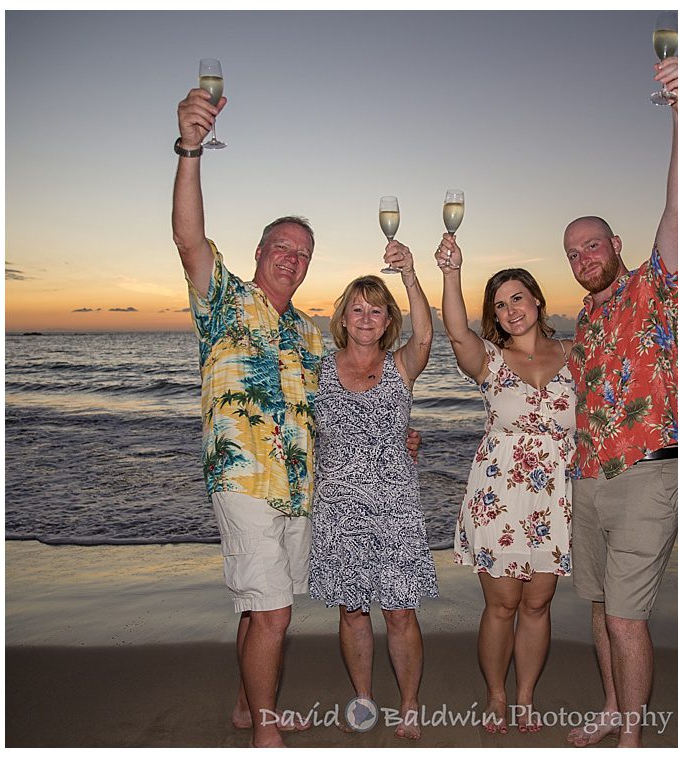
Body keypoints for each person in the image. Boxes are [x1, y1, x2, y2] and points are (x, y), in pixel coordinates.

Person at [170, 85, 322, 747]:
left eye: (302, 254)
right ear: (259, 253)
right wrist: (190, 149)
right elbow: (187, 237)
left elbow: (329, 405)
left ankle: (244, 703)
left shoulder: (312, 335)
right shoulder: (223, 299)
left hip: (297, 486)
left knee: (263, 606)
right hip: (241, 476)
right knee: (276, 611)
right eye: (281, 248)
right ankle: (266, 731)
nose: (290, 259)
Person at [560, 54, 678, 748]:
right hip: (589, 477)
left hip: (650, 467)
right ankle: (613, 707)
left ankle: (632, 737)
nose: (585, 257)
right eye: (574, 254)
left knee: (625, 616)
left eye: (593, 244)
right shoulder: (584, 321)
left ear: (616, 244)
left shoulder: (655, 288)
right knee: (598, 605)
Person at [437, 236, 575, 735]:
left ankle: (525, 697)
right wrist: (453, 272)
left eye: (517, 297)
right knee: (503, 605)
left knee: (538, 604)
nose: (510, 309)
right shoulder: (490, 361)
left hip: (553, 500)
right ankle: (496, 695)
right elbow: (456, 332)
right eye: (499, 304)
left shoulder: (575, 355)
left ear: (537, 299)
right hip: (498, 497)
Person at [306, 250, 437, 741]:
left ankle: (409, 702)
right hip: (339, 509)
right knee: (353, 609)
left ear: (388, 320)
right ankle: (363, 696)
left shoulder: (401, 364)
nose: (365, 318)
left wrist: (409, 273)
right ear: (342, 317)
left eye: (376, 310)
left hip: (396, 508)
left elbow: (426, 335)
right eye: (356, 309)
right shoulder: (317, 372)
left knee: (401, 610)